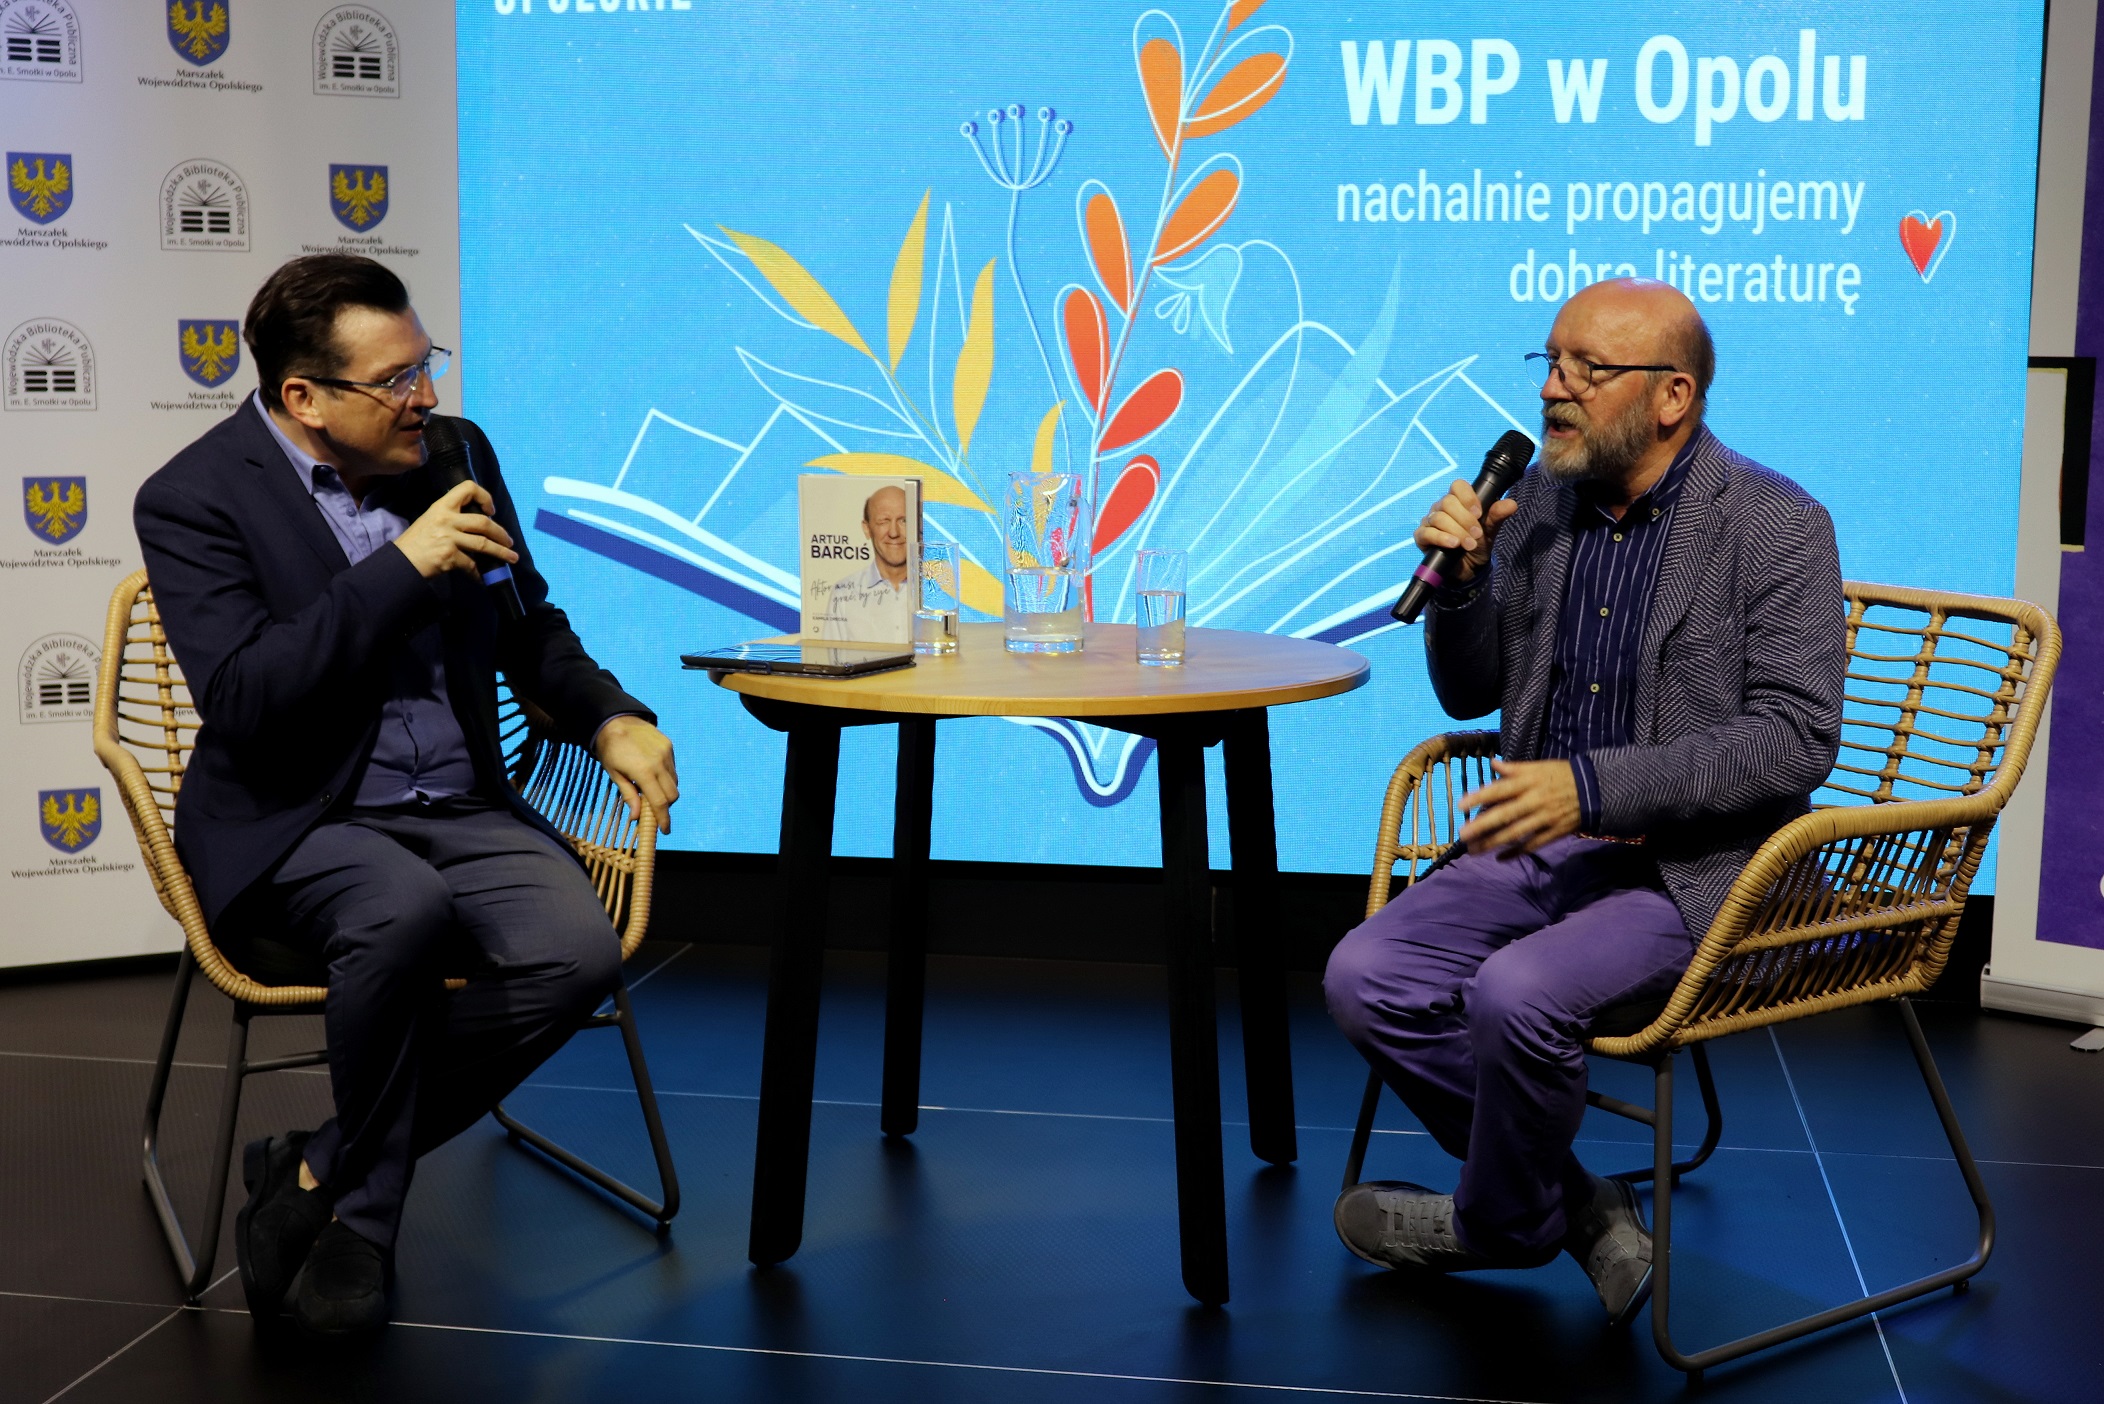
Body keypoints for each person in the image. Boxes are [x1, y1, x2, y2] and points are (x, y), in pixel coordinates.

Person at [133, 254, 681, 1339]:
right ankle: (368, 1225)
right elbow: (245, 698)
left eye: (426, 364)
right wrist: (399, 568)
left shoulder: (455, 454)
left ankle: (314, 1169)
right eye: (394, 380)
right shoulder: (193, 497)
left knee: (579, 952)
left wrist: (608, 714)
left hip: (460, 803)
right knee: (400, 910)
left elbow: (527, 626)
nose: (425, 396)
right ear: (304, 397)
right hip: (300, 815)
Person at [1322, 279, 1844, 1325]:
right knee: (1364, 975)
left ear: (1672, 397)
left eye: (1587, 370)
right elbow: (1470, 693)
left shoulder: (1775, 524)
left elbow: (1796, 739)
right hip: (1542, 847)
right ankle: (1569, 1206)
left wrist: (1593, 787)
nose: (1553, 389)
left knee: (1516, 994)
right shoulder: (1538, 509)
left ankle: (1496, 1225)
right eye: (1551, 362)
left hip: (1694, 865)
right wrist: (1464, 583)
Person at [816, 483, 912, 642]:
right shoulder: (843, 593)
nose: (894, 533)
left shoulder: (937, 591)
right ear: (867, 529)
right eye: (883, 522)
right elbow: (831, 655)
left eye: (904, 521)